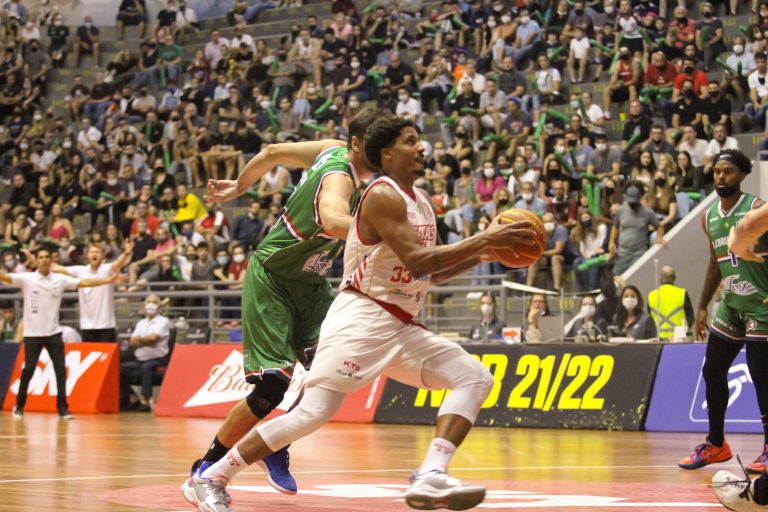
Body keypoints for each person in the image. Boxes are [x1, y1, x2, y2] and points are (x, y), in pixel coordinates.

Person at [187, 115, 536, 512]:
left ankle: (432, 474)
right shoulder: (381, 196)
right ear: (386, 154)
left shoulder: (422, 202)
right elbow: (419, 261)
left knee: (473, 377)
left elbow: (434, 273)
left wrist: (483, 253)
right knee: (310, 414)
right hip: (361, 320)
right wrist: (483, 239)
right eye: (410, 141)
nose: (421, 147)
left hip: (400, 324)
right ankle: (212, 475)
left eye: (419, 140)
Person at [180, 109, 384, 503]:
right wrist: (386, 233)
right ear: (359, 145)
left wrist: (239, 186)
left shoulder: (330, 148)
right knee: (271, 388)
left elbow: (272, 152)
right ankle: (204, 469)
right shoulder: (339, 175)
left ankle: (274, 443)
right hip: (273, 277)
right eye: (381, 145)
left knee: (333, 367)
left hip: (310, 284)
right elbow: (332, 218)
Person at [679, 149, 768, 487]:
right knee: (713, 369)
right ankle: (716, 444)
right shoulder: (708, 217)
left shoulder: (757, 209)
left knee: (762, 375)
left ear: (742, 175)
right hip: (731, 304)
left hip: (761, 305)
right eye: (717, 170)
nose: (720, 176)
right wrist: (702, 306)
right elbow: (715, 262)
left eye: (728, 171)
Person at [0, 247, 124, 420]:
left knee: (60, 370)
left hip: (53, 333)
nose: (44, 259)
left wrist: (108, 280)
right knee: (28, 369)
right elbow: (6, 277)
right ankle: (19, 405)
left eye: (47, 256)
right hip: (33, 334)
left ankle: (63, 408)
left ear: (51, 260)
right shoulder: (27, 279)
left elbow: (84, 282)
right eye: (41, 257)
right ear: (36, 260)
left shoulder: (60, 279)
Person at [51, 241, 134, 342]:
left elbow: (118, 263)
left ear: (102, 256)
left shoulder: (106, 269)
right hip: (86, 325)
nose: (94, 254)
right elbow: (57, 268)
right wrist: (44, 262)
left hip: (106, 325)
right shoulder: (81, 270)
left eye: (97, 252)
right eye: (92, 252)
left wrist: (126, 253)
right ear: (87, 255)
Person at [120, 294, 171, 411]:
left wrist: (141, 340)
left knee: (147, 367)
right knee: (119, 369)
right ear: (144, 305)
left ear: (159, 306)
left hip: (158, 360)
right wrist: (146, 340)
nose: (151, 305)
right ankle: (132, 396)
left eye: (154, 302)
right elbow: (132, 342)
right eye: (148, 302)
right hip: (140, 360)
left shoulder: (163, 321)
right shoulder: (141, 323)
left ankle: (147, 400)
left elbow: (153, 339)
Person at [608, 185, 664, 275]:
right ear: (626, 199)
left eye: (634, 202)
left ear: (639, 199)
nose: (632, 204)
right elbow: (615, 226)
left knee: (637, 277)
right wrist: (611, 242)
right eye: (630, 202)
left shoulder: (647, 212)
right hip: (622, 253)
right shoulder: (621, 210)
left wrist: (659, 236)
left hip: (639, 253)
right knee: (616, 277)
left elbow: (659, 226)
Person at [647, 265, 694, 341]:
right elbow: (690, 317)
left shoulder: (652, 295)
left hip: (658, 339)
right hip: (679, 339)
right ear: (674, 278)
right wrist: (683, 330)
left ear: (660, 279)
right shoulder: (682, 293)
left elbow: (649, 319)